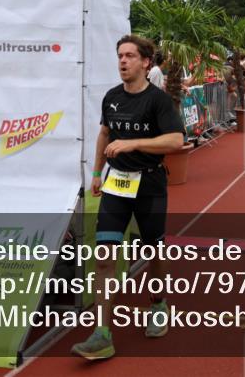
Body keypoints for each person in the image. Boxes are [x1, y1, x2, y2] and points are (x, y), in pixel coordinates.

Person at [71, 35, 185, 361]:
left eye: (130, 56)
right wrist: (96, 173)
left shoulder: (158, 100)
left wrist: (134, 144)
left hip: (149, 185)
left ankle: (159, 302)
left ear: (146, 62)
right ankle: (102, 333)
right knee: (104, 256)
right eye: (120, 56)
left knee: (153, 253)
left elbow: (176, 140)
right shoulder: (111, 97)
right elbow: (105, 134)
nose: (123, 61)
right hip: (116, 186)